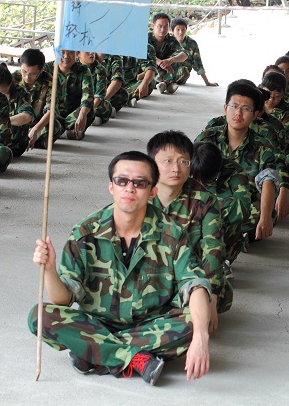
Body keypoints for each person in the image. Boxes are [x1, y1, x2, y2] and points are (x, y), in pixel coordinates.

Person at [28, 151, 212, 385]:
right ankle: (135, 358)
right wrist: (49, 270)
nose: (130, 188)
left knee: (194, 323)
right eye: (122, 181)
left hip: (149, 325)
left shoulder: (171, 234)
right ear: (111, 187)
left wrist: (201, 337)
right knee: (39, 316)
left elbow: (195, 285)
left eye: (140, 183)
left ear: (152, 191)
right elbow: (62, 299)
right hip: (96, 322)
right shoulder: (86, 232)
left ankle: (92, 352)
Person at [146, 131, 231, 328]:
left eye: (183, 161)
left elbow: (213, 248)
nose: (176, 168)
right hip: (145, 276)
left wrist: (212, 296)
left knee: (216, 297)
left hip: (186, 277)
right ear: (152, 164)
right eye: (167, 161)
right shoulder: (139, 192)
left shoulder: (205, 200)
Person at [195, 81, 282, 242]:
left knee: (265, 212)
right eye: (234, 106)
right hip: (210, 201)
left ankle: (215, 232)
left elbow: (268, 181)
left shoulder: (262, 145)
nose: (238, 113)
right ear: (225, 108)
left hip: (243, 205)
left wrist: (265, 217)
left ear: (255, 114)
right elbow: (191, 170)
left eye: (246, 109)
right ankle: (230, 235)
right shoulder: (208, 138)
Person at [191, 142, 252, 263]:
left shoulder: (234, 172)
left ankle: (218, 261)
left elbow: (243, 207)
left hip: (221, 232)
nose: (200, 184)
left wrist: (208, 214)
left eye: (206, 180)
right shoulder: (183, 167)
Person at [14, 48, 64, 148]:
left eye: (33, 74)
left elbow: (51, 110)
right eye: (24, 71)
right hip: (18, 121)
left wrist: (36, 129)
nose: (27, 77)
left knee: (55, 125)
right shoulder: (12, 79)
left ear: (41, 70)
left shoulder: (50, 82)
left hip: (39, 123)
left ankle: (28, 140)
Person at [44, 49, 94, 141]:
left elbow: (88, 95)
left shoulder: (83, 69)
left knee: (88, 111)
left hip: (72, 115)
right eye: (62, 52)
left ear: (76, 53)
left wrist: (82, 115)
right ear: (55, 52)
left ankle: (57, 131)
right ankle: (64, 133)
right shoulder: (46, 69)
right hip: (53, 113)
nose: (66, 56)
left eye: (70, 52)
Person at [0, 63, 35, 158]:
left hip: (13, 143)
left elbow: (27, 116)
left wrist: (2, 122)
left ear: (10, 85)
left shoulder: (20, 93)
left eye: (3, 92)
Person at [171, 17, 218, 87]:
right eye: (178, 30)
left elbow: (198, 63)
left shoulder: (192, 43)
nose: (180, 32)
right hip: (168, 69)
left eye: (183, 29)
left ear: (186, 30)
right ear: (172, 31)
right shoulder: (167, 41)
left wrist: (207, 82)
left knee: (184, 70)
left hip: (181, 73)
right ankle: (165, 83)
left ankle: (168, 83)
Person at [148, 13, 188, 94]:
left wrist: (170, 60)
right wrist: (159, 62)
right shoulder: (146, 37)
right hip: (149, 67)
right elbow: (142, 54)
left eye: (166, 26)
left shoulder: (171, 39)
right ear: (153, 26)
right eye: (159, 26)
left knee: (176, 59)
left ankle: (165, 83)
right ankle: (167, 84)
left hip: (165, 69)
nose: (163, 29)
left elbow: (184, 54)